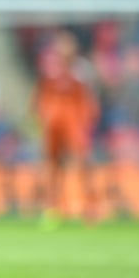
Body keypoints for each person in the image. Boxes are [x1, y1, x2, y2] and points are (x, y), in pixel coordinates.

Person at [33, 29, 100, 224]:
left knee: (83, 163)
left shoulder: (81, 72)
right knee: (53, 165)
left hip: (75, 122)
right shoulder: (51, 71)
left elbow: (88, 100)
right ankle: (54, 207)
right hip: (54, 122)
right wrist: (43, 117)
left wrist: (88, 122)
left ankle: (90, 206)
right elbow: (42, 97)